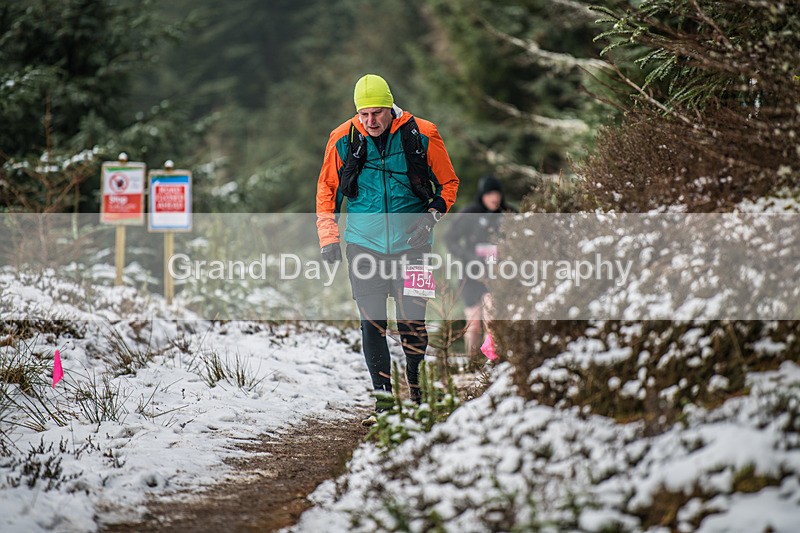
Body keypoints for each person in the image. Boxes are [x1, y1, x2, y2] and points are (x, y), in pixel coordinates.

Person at [315, 74, 459, 425]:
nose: (371, 121)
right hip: (364, 246)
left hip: (415, 245)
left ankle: (417, 395)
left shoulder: (423, 133)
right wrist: (329, 237)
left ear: (390, 108)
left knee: (414, 323)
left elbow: (449, 183)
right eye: (364, 114)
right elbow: (326, 192)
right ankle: (384, 407)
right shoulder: (342, 138)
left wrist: (432, 216)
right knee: (372, 324)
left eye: (377, 113)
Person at [445, 175, 515, 360]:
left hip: (496, 276)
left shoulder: (508, 213)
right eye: (490, 193)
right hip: (470, 275)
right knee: (473, 324)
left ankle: (491, 362)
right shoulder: (470, 213)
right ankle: (472, 362)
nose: (495, 198)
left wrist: (507, 254)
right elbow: (449, 238)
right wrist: (468, 256)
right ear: (482, 195)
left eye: (497, 193)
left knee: (491, 321)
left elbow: (522, 239)